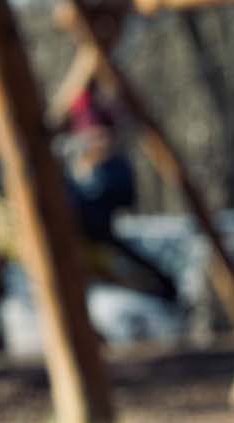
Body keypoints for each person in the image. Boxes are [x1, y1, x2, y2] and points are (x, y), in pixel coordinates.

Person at [62, 92, 179, 302]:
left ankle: (163, 292)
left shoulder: (115, 166)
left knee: (152, 279)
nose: (99, 143)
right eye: (94, 137)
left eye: (104, 137)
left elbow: (124, 197)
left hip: (101, 238)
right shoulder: (71, 165)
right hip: (77, 236)